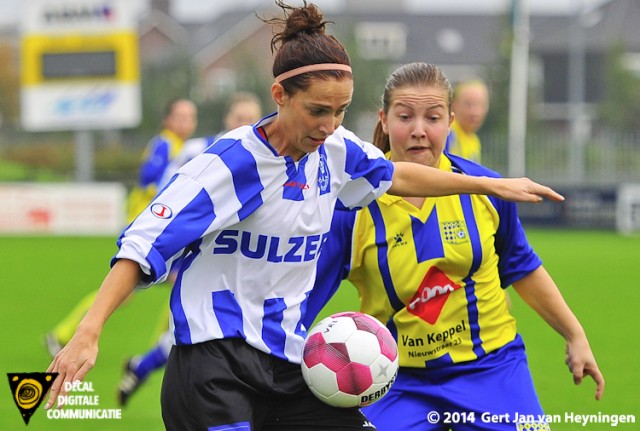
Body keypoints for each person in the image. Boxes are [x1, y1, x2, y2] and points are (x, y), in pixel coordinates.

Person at [45, 2, 563, 430]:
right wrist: (89, 331)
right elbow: (142, 245)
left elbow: (396, 174)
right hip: (213, 366)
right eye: (318, 110)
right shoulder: (231, 164)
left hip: (288, 364)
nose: (330, 124)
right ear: (280, 96)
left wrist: (489, 184)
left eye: (340, 111)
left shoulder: (335, 151)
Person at [307, 62, 604, 431]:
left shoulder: (486, 189)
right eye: (404, 117)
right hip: (395, 380)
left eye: (432, 118)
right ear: (383, 120)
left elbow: (521, 266)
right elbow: (306, 295)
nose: (418, 131)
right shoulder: (350, 208)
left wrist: (575, 336)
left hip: (491, 369)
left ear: (450, 121)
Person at [116, 91, 263, 407]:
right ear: (227, 120)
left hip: (245, 263)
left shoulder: (270, 159)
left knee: (194, 330)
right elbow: (171, 193)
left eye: (252, 118)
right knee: (194, 328)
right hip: (198, 258)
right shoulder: (202, 150)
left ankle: (142, 368)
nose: (245, 124)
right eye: (240, 118)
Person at [44, 98, 198, 357]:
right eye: (181, 116)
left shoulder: (178, 146)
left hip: (158, 230)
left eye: (190, 116)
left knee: (149, 288)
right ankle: (164, 351)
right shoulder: (166, 145)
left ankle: (63, 334)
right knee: (182, 282)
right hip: (150, 232)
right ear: (167, 120)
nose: (186, 122)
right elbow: (150, 179)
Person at [445, 79, 489, 163]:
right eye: (468, 104)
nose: (474, 112)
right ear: (454, 105)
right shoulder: (447, 134)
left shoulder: (474, 141)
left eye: (480, 105)